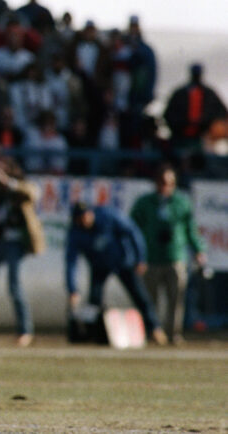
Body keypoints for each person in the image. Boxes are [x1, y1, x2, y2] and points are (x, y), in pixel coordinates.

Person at [66, 202, 167, 345]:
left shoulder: (108, 215)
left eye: (84, 217)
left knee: (139, 296)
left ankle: (155, 328)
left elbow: (133, 232)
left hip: (123, 262)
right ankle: (94, 334)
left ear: (90, 213)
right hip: (99, 266)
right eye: (79, 219)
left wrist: (140, 258)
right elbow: (71, 262)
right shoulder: (75, 231)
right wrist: (72, 289)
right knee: (94, 301)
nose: (83, 221)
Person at [130, 164, 207, 344]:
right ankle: (153, 332)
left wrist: (198, 250)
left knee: (176, 300)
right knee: (151, 300)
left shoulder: (181, 202)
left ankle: (173, 334)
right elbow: (133, 230)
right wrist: (135, 255)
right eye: (162, 182)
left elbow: (190, 229)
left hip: (175, 257)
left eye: (169, 182)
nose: (165, 186)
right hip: (151, 258)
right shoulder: (145, 202)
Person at [0, 154, 45, 347]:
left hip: (15, 242)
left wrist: (8, 183)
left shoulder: (20, 185)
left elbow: (32, 193)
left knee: (14, 285)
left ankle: (25, 330)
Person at [163, 63, 227, 150]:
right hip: (180, 137)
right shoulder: (180, 93)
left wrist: (206, 124)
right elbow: (168, 114)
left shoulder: (208, 93)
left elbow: (222, 112)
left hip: (201, 137)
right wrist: (182, 124)